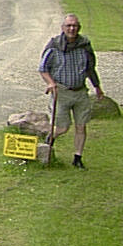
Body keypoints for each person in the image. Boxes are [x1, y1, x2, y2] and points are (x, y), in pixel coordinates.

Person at [38, 14, 103, 169]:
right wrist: (51, 83)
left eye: (75, 26)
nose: (72, 29)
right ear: (63, 28)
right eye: (69, 26)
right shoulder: (54, 46)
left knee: (81, 126)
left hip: (80, 92)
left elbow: (90, 68)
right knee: (62, 128)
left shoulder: (84, 45)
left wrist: (97, 87)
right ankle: (49, 139)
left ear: (79, 28)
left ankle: (77, 158)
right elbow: (43, 68)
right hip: (61, 92)